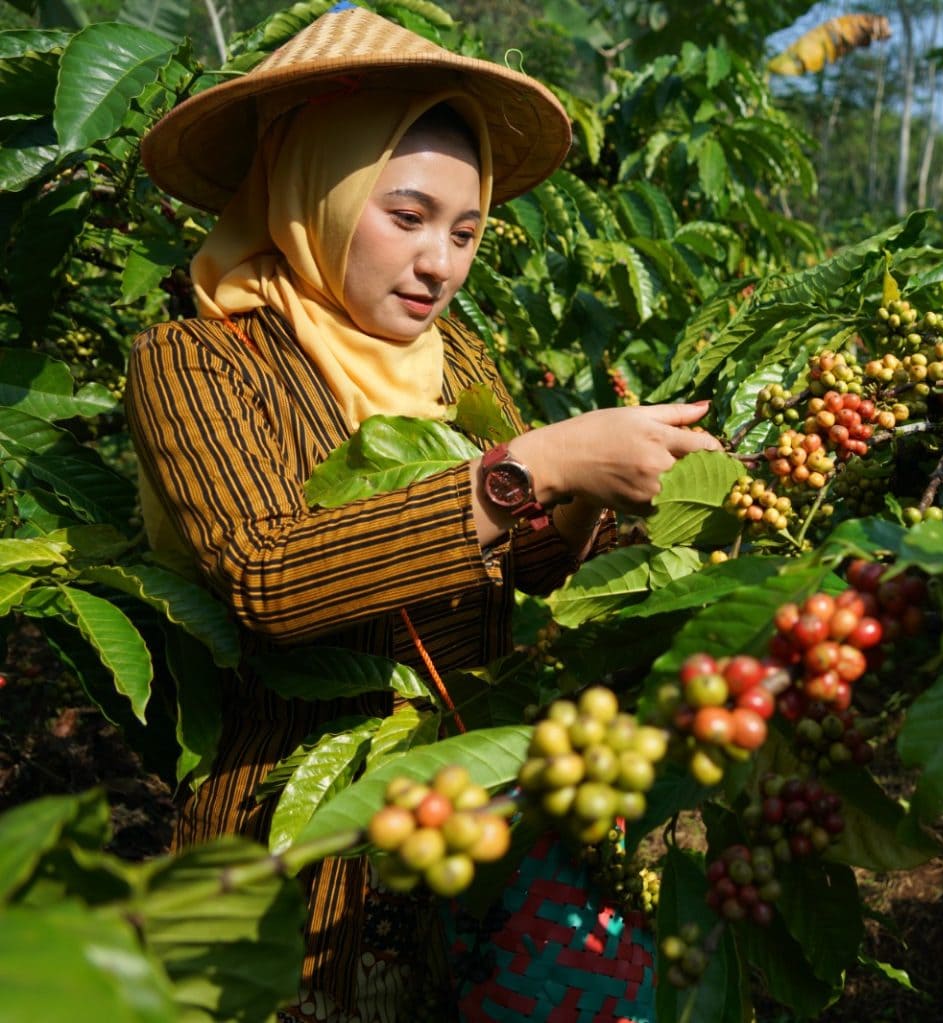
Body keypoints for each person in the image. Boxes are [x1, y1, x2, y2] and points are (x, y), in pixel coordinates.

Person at [126, 4, 720, 1020]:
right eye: (405, 218)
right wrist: (531, 468)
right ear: (314, 189)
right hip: (289, 861)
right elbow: (271, 576)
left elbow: (517, 574)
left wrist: (587, 502)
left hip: (468, 850)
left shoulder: (462, 369)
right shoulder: (196, 360)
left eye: (466, 229)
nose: (440, 264)